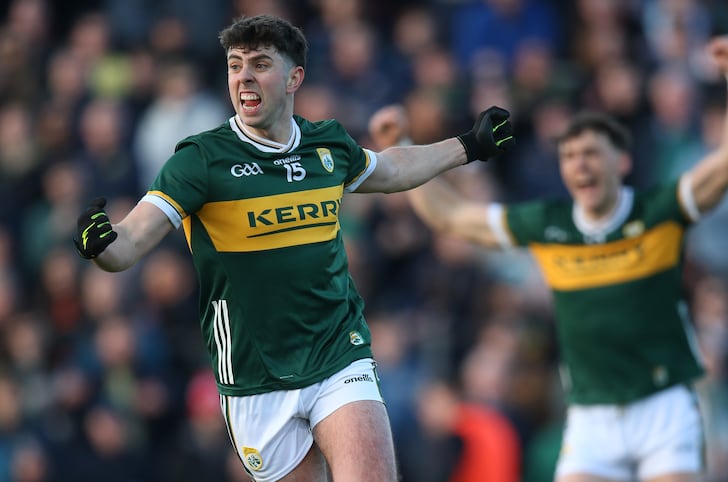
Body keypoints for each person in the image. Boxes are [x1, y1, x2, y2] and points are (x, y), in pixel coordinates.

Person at [72, 14, 514, 482]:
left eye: (260, 64)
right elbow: (131, 240)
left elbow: (391, 170)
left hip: (337, 352)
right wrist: (101, 245)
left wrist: (469, 145)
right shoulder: (200, 160)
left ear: (294, 78)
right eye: (235, 65)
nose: (244, 77)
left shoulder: (327, 144)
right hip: (254, 378)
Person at [397, 34, 728, 482]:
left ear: (621, 162)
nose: (580, 165)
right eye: (569, 156)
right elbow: (451, 217)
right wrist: (404, 146)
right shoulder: (549, 224)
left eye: (591, 153)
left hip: (663, 406)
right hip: (592, 417)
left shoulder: (658, 212)